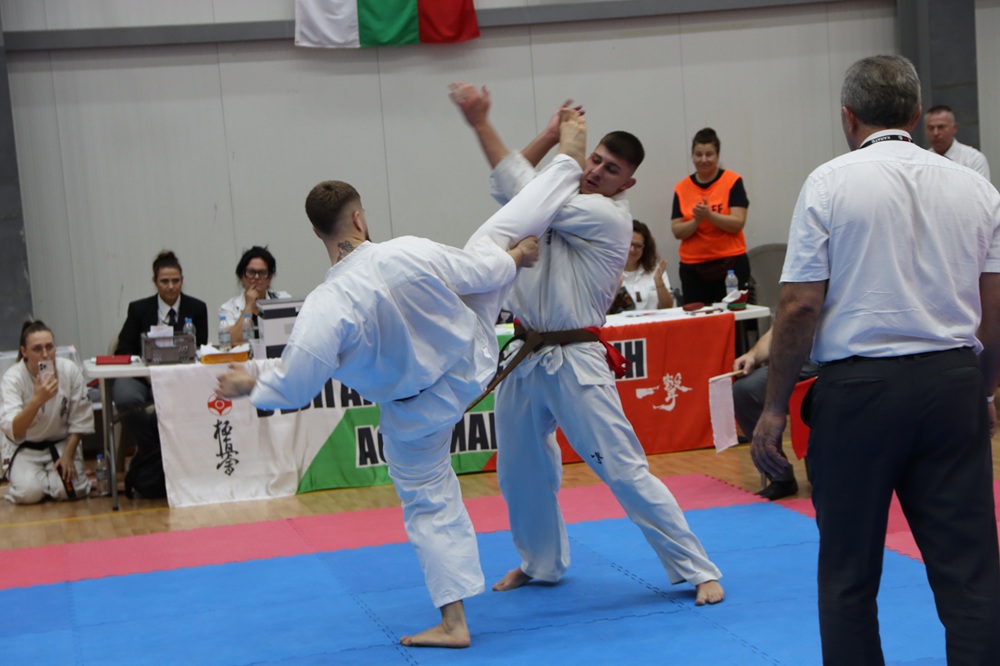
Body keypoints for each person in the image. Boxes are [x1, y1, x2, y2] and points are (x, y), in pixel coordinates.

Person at [217, 111, 589, 649]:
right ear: (359, 218)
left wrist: (252, 382)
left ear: (317, 232)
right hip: (472, 360)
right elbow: (480, 273)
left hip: (416, 412)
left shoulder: (324, 307)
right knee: (491, 240)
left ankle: (454, 622)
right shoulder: (408, 249)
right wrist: (514, 258)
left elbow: (296, 385)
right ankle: (567, 164)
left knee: (429, 504)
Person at [752, 55, 1000, 664]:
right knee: (971, 577)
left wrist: (774, 407)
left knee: (848, 577)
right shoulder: (977, 188)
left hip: (859, 392)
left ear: (848, 117)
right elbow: (994, 309)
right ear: (915, 116)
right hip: (952, 384)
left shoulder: (829, 183)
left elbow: (800, 306)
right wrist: (985, 391)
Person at [449, 82, 724, 606]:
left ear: (627, 182)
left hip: (576, 357)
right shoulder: (559, 195)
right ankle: (541, 563)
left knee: (621, 467)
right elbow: (521, 187)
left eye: (610, 169)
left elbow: (526, 191)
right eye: (594, 160)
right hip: (526, 352)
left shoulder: (609, 218)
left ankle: (697, 568)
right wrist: (543, 134)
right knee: (520, 471)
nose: (596, 171)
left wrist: (521, 136)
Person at [114, 250, 208, 498]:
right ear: (155, 282)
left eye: (175, 280)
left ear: (182, 280)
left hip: (180, 380)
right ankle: (154, 454)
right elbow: (123, 349)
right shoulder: (138, 309)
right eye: (165, 281)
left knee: (181, 405)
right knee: (125, 399)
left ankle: (152, 461)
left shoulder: (197, 308)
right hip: (142, 378)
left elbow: (201, 350)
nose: (170, 286)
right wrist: (145, 370)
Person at [1, 320, 93, 504]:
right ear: (24, 351)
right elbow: (14, 429)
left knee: (67, 490)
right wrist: (37, 401)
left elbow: (80, 420)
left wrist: (68, 455)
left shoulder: (69, 370)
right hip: (25, 448)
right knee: (29, 493)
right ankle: (41, 482)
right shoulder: (12, 378)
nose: (45, 354)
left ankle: (56, 482)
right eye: (37, 349)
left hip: (62, 444)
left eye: (49, 347)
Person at [732, 327, 818, 500]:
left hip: (835, 367)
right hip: (794, 367)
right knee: (744, 390)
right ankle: (779, 475)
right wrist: (753, 355)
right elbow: (779, 329)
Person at [671, 128, 751, 306]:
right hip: (693, 267)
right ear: (692, 156)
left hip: (730, 264)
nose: (704, 160)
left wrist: (709, 215)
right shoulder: (681, 188)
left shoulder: (732, 181)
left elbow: (737, 223)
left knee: (734, 316)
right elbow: (677, 231)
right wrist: (697, 220)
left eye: (709, 154)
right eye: (698, 154)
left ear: (717, 155)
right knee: (698, 318)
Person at [219, 245, 292, 343]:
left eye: (262, 272)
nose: (256, 277)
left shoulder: (284, 300)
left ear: (270, 278)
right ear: (241, 276)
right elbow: (231, 341)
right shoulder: (228, 308)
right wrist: (249, 306)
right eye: (251, 272)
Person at [612, 219, 673, 312]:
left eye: (638, 246)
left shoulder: (656, 270)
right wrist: (614, 289)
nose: (632, 250)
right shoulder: (608, 272)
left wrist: (659, 282)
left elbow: (668, 307)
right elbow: (600, 313)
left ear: (645, 248)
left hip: (654, 320)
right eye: (628, 244)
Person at [924, 104, 991, 180]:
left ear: (954, 128)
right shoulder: (922, 160)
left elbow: (979, 187)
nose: (935, 133)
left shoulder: (973, 160)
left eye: (941, 127)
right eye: (930, 128)